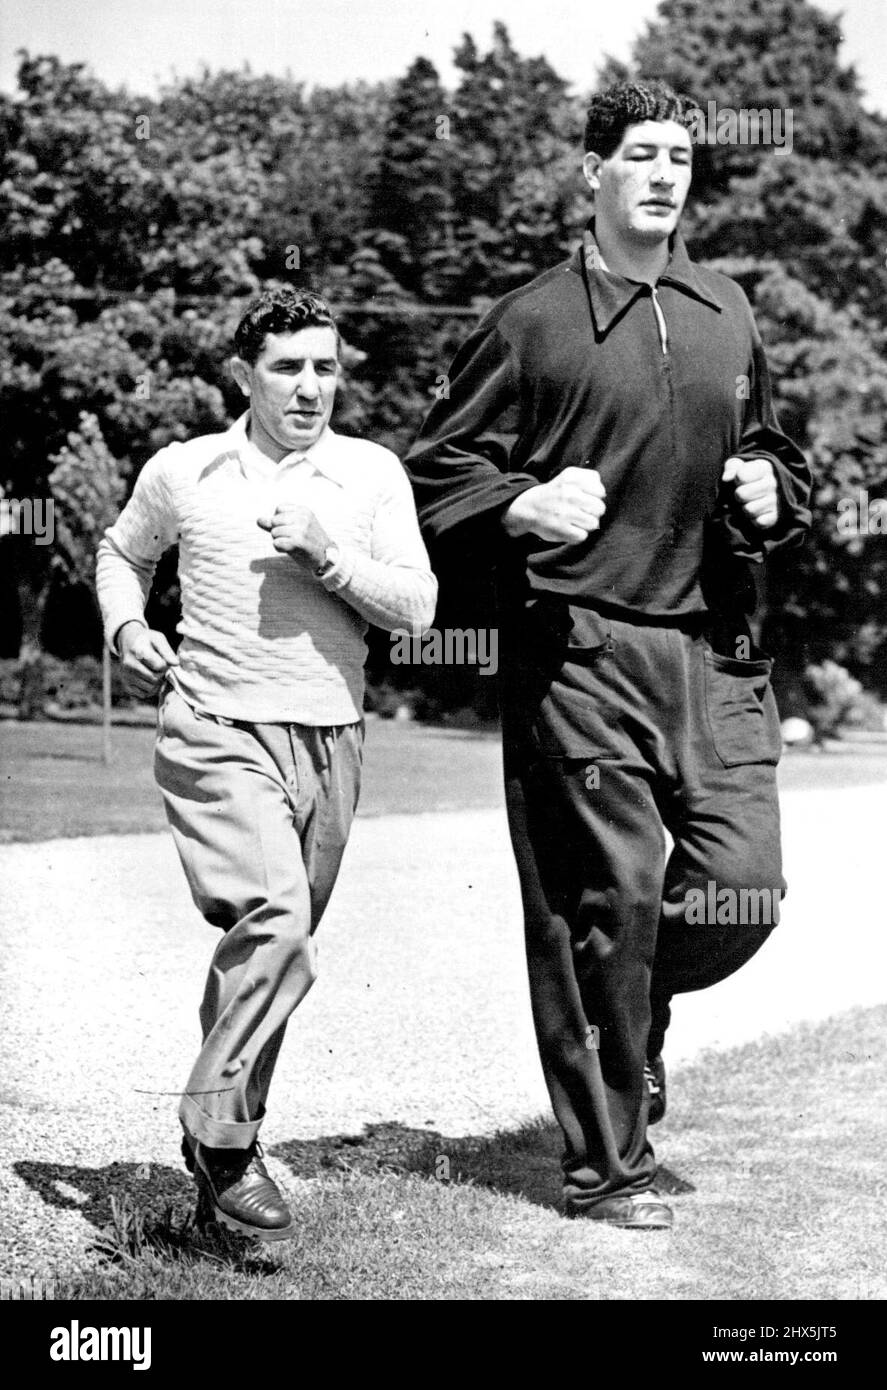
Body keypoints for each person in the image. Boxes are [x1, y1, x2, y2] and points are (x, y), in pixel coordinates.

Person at [404, 81, 811, 1228]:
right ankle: (606, 1169)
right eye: (639, 153)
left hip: (715, 655)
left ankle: (634, 1019)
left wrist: (771, 488)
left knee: (739, 893)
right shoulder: (526, 321)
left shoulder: (725, 309)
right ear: (591, 171)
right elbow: (433, 471)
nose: (664, 173)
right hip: (578, 650)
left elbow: (780, 458)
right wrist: (520, 504)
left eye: (680, 153)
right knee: (608, 906)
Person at [96, 287, 436, 1240]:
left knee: (266, 962)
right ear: (242, 375)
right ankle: (222, 1138)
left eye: (326, 367)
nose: (310, 386)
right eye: (288, 367)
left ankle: (215, 1185)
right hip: (213, 724)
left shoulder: (371, 475)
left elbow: (416, 608)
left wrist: (330, 557)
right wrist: (126, 623)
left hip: (331, 738)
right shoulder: (187, 469)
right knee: (277, 924)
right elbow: (119, 554)